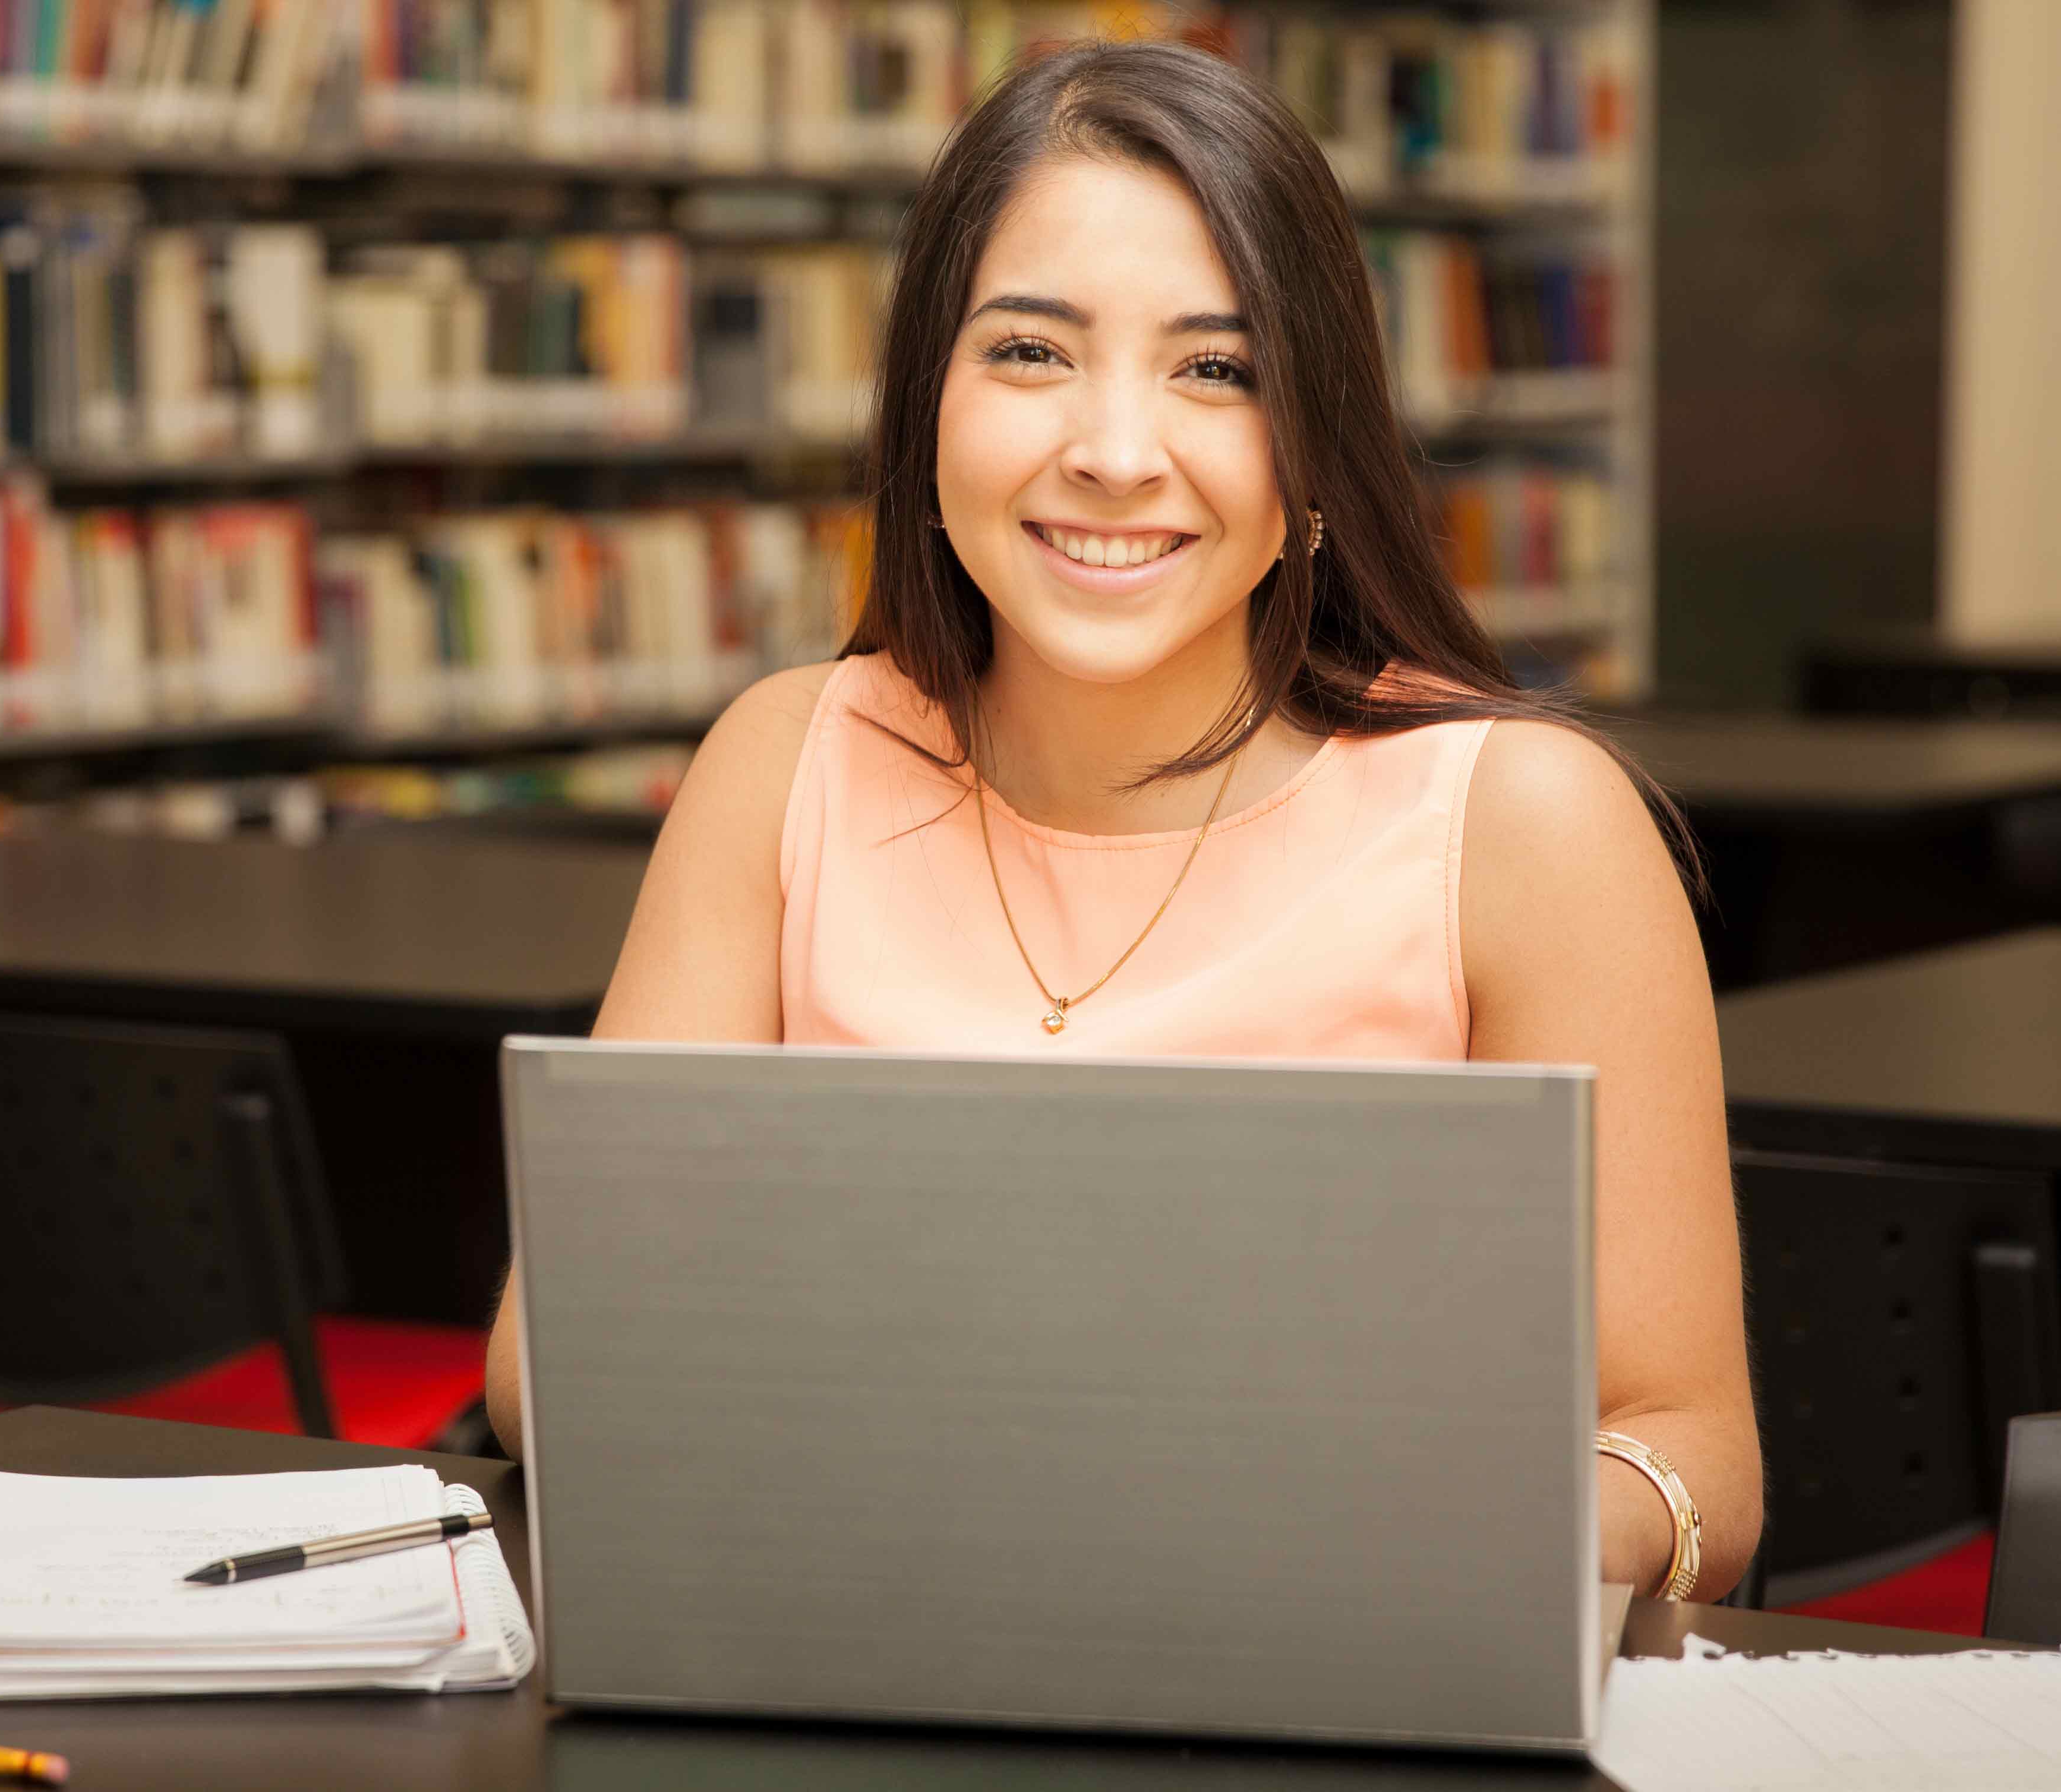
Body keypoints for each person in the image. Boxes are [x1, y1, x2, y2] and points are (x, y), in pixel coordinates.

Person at [485, 37, 1760, 1601]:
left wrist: (1460, 1552)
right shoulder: (783, 762)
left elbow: (1686, 1444)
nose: (1111, 450)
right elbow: (547, 1359)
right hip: (854, 1644)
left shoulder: (1526, 825)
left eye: (1216, 371)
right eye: (1029, 353)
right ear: (927, 410)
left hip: (1345, 1663)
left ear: (1313, 464)